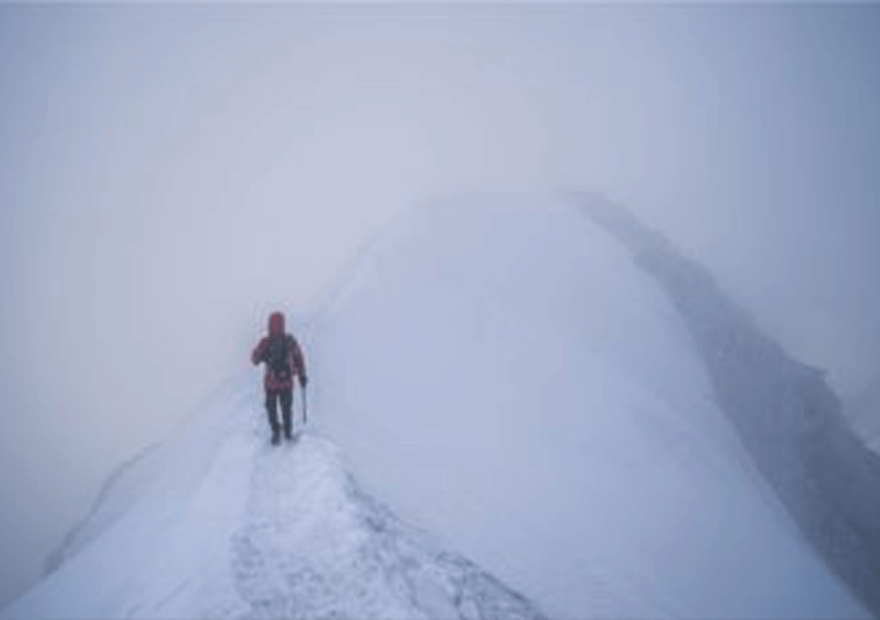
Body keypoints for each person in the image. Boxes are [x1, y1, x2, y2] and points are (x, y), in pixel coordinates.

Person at [251, 312, 308, 444]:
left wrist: (263, 356)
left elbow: (254, 360)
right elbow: (299, 359)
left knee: (271, 408)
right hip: (287, 383)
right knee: (286, 408)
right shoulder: (290, 340)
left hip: (270, 383)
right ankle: (288, 432)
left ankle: (276, 431)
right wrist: (302, 376)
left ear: (269, 325)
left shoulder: (266, 342)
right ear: (284, 324)